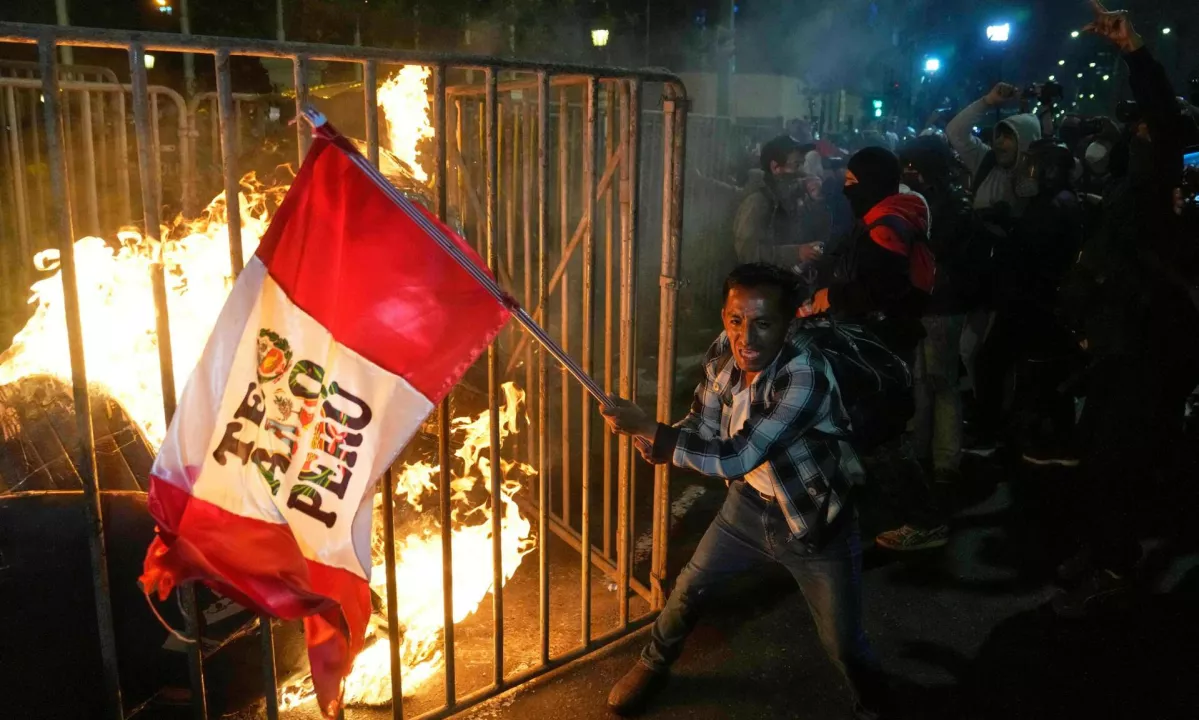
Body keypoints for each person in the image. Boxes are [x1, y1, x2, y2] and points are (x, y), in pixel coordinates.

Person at [599, 263, 889, 720]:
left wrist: (654, 431)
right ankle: (653, 663)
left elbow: (738, 455)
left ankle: (874, 703)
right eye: (736, 320)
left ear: (789, 324)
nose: (746, 338)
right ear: (724, 317)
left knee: (843, 643)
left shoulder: (805, 374)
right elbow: (704, 422)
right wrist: (659, 438)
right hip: (748, 507)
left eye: (763, 324)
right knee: (689, 589)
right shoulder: (724, 349)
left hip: (813, 520)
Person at [1054, 1, 1199, 616]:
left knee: (1121, 458)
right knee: (1096, 451)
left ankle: (1115, 566)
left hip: (1148, 346)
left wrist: (1133, 49)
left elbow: (1162, 111)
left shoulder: (1163, 184)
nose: (1137, 131)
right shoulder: (1126, 187)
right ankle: (1101, 547)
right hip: (1115, 343)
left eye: (1146, 127)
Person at [874, 137, 977, 551]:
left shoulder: (944, 203)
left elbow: (936, 250)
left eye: (912, 166)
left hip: (941, 304)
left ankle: (945, 461)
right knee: (922, 378)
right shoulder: (941, 197)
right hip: (930, 302)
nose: (907, 173)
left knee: (939, 380)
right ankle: (926, 452)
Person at [970, 139, 1084, 459]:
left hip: (1030, 302)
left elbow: (1028, 250)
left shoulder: (1052, 205)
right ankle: (1046, 436)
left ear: (1051, 171)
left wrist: (990, 231)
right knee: (1037, 371)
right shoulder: (1060, 200)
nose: (1027, 172)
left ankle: (996, 433)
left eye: (1034, 166)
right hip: (1037, 301)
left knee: (994, 363)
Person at [806, 146, 934, 363]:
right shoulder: (882, 214)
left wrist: (831, 296)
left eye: (851, 181)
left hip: (883, 341)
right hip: (881, 335)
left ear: (872, 182)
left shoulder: (886, 227)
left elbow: (884, 288)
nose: (846, 190)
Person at [733, 135, 830, 268]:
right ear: (775, 167)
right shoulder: (757, 201)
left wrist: (817, 199)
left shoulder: (790, 196)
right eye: (797, 165)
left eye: (803, 164)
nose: (803, 172)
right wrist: (796, 253)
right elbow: (747, 254)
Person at [946, 86, 1042, 211]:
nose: (998, 142)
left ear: (1025, 141)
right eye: (998, 135)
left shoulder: (1043, 181)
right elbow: (955, 132)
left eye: (1008, 136)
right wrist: (988, 101)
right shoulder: (987, 162)